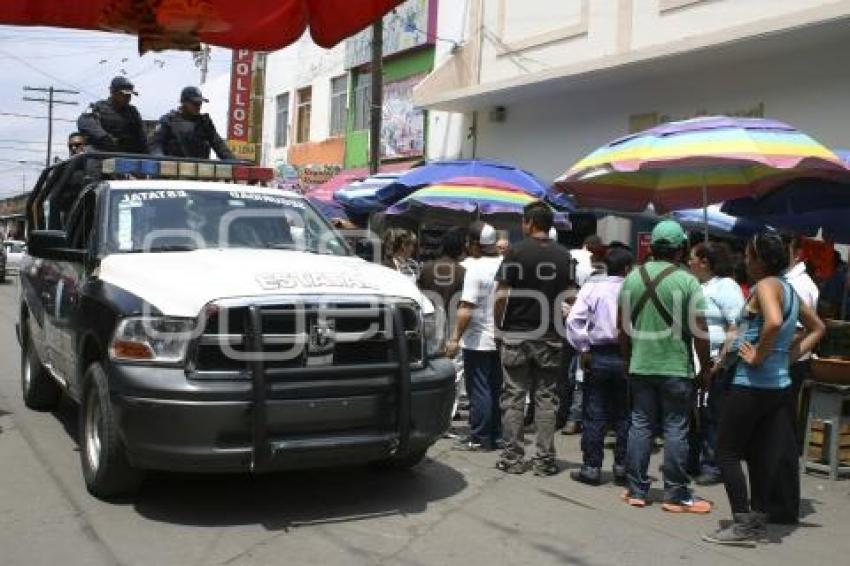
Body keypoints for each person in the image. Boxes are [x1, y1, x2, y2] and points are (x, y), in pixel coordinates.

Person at [703, 234, 825, 547]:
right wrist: (788, 356)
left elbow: (771, 322)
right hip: (777, 385)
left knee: (726, 452)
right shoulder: (790, 289)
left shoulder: (767, 286)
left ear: (759, 259)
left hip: (752, 384)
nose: (744, 260)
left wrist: (758, 355)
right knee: (758, 454)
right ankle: (757, 517)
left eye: (747, 254)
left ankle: (742, 521)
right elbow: (818, 328)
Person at [618, 219, 712, 512]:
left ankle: (636, 490)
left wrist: (627, 359)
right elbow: (700, 329)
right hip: (675, 367)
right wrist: (706, 367)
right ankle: (676, 493)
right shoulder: (687, 281)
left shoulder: (632, 278)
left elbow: (621, 329)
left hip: (640, 364)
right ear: (680, 249)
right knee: (675, 429)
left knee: (640, 425)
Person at [494, 201, 573, 476]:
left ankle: (513, 457)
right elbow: (571, 297)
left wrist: (498, 327)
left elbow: (502, 295)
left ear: (529, 223)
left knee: (514, 396)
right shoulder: (564, 256)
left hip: (516, 333)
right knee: (546, 398)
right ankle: (544, 460)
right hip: (550, 335)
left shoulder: (515, 252)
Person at [567, 247, 633, 486]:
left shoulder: (592, 287)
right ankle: (623, 467)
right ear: (627, 268)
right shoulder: (633, 289)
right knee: (625, 415)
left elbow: (575, 320)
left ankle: (592, 467)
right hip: (627, 355)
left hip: (598, 355)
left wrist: (583, 347)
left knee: (594, 413)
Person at [686, 242, 745, 486]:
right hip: (694, 361)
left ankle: (713, 464)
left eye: (692, 258)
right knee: (694, 414)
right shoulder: (696, 286)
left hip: (718, 363)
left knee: (713, 415)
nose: (689, 262)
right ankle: (692, 460)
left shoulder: (726, 286)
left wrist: (720, 360)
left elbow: (737, 325)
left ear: (705, 262)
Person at [446, 222, 504, 451]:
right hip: (502, 337)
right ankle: (496, 434)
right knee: (495, 387)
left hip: (479, 339)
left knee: (479, 389)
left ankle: (480, 437)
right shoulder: (505, 263)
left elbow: (466, 307)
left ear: (473, 245)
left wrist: (454, 338)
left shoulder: (474, 269)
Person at [150, 86, 235, 160]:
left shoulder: (204, 123)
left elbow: (219, 145)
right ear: (184, 102)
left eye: (200, 103)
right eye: (195, 103)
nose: (198, 106)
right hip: (172, 173)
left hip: (199, 172)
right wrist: (161, 159)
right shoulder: (168, 121)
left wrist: (234, 162)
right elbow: (155, 145)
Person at [77, 76, 148, 153]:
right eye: (124, 94)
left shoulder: (133, 112)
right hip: (102, 152)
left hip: (127, 154)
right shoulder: (98, 107)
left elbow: (142, 137)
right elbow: (84, 121)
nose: (127, 97)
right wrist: (105, 137)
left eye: (129, 95)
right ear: (113, 92)